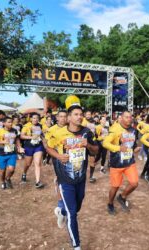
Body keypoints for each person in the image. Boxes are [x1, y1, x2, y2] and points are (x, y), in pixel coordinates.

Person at [46, 105, 98, 250]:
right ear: (69, 118)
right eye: (76, 114)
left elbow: (96, 151)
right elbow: (48, 147)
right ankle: (76, 245)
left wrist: (88, 145)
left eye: (81, 114)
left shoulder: (87, 132)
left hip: (80, 178)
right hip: (65, 179)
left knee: (77, 206)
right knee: (72, 213)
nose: (79, 117)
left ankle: (60, 212)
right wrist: (58, 156)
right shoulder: (59, 133)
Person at [103, 110, 140, 214]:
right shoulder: (115, 129)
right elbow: (105, 143)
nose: (129, 119)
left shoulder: (133, 130)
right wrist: (118, 148)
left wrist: (135, 149)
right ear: (121, 118)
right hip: (116, 163)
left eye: (130, 117)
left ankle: (122, 196)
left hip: (129, 162)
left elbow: (133, 144)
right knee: (115, 187)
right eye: (127, 117)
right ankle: (110, 203)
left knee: (134, 183)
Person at [0, 116, 23, 189]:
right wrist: (3, 141)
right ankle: (3, 182)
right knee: (2, 171)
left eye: (11, 122)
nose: (11, 123)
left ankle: (7, 178)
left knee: (11, 169)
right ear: (4, 123)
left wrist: (19, 147)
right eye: (9, 122)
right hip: (1, 154)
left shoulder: (14, 130)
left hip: (12, 153)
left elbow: (17, 139)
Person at [20, 113, 45, 188]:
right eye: (34, 118)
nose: (36, 119)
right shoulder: (26, 126)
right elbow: (22, 136)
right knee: (28, 164)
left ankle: (38, 182)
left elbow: (41, 135)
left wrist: (45, 142)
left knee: (37, 163)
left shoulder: (40, 125)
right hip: (29, 146)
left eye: (37, 118)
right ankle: (24, 173)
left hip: (38, 146)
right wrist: (31, 137)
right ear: (30, 118)